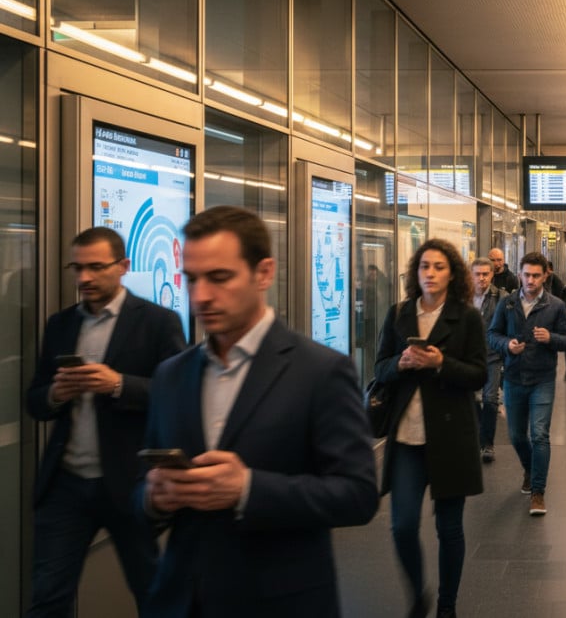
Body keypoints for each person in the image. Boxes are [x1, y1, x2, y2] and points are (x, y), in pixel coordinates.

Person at [137, 206, 378, 617]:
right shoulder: (171, 375)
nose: (200, 296)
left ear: (263, 273)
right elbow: (143, 487)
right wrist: (155, 498)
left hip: (279, 601)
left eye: (219, 277)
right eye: (191, 279)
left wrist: (247, 489)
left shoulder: (319, 371)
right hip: (181, 599)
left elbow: (357, 495)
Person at [25, 227, 185, 617]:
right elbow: (35, 401)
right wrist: (55, 394)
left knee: (153, 592)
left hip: (129, 482)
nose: (84, 279)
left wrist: (118, 385)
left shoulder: (158, 322)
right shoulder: (60, 325)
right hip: (66, 484)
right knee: (48, 597)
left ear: (124, 266)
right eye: (77, 268)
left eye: (96, 267)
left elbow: (179, 396)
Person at [374, 240, 487, 618]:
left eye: (439, 267)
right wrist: (401, 365)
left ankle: (447, 605)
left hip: (451, 437)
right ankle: (418, 594)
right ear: (415, 272)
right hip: (407, 437)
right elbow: (379, 369)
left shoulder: (466, 317)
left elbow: (479, 375)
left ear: (451, 274)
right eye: (425, 266)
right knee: (402, 525)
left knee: (449, 528)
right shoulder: (399, 314)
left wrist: (441, 363)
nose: (431, 274)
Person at [487, 252, 566, 516]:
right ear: (520, 274)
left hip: (542, 378)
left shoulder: (555, 305)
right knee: (515, 435)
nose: (531, 280)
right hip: (513, 377)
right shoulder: (508, 303)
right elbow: (493, 334)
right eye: (527, 275)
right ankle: (529, 467)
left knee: (540, 434)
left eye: (536, 275)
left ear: (545, 275)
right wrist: (507, 345)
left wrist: (551, 338)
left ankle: (537, 491)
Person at [470, 257, 506, 463]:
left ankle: (487, 444)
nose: (482, 278)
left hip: (492, 356)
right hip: (469, 357)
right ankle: (477, 438)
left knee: (490, 400)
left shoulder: (500, 297)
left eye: (485, 274)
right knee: (472, 400)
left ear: (492, 275)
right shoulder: (462, 297)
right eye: (478, 274)